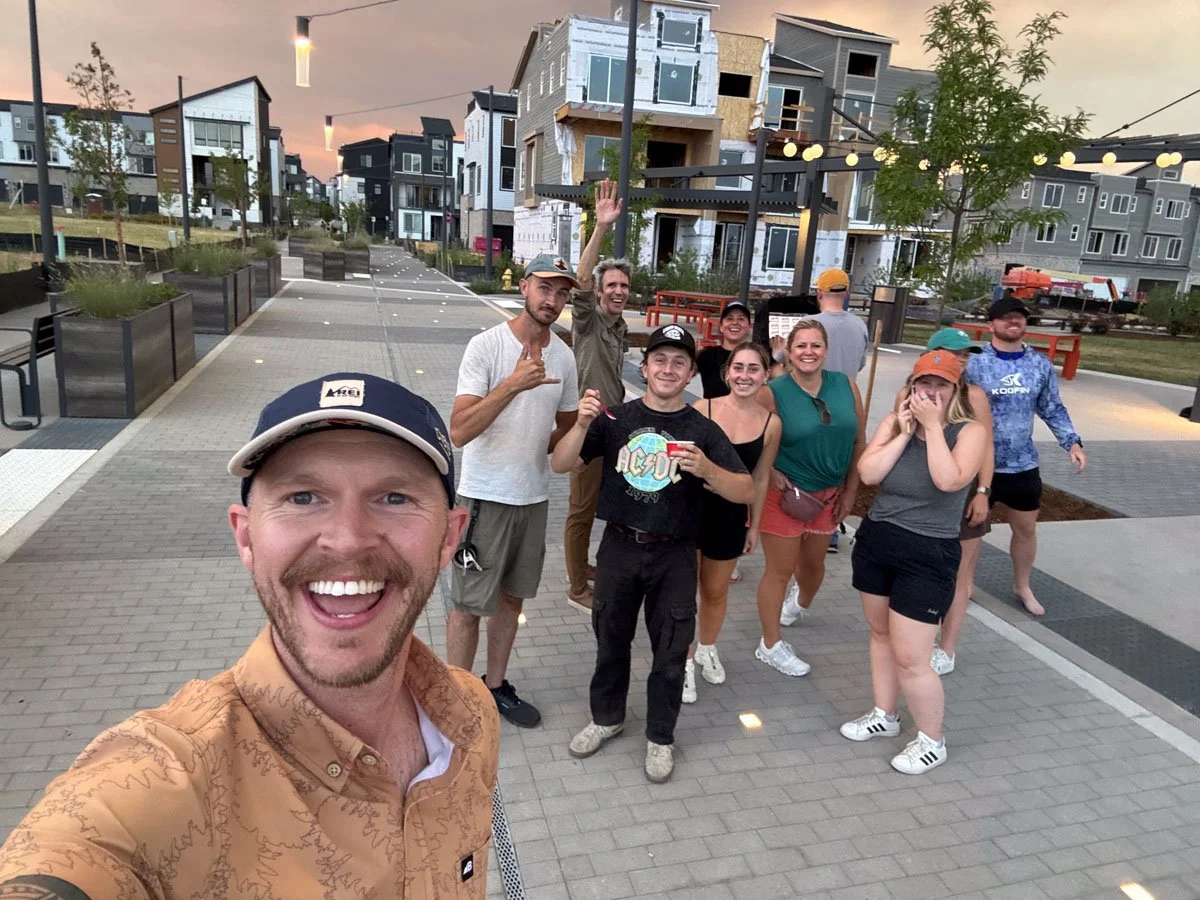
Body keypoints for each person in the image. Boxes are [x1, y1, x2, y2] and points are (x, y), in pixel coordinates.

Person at [0, 373, 500, 897]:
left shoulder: (469, 714)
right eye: (304, 496)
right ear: (246, 537)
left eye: (394, 498)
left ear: (448, 537)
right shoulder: (167, 781)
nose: (348, 539)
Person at [551, 324, 754, 783]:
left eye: (679, 362)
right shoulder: (615, 419)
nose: (668, 368)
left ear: (690, 375)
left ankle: (661, 738)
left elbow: (745, 489)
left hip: (676, 553)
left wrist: (707, 470)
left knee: (670, 651)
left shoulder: (703, 429)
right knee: (610, 641)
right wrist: (582, 424)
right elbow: (560, 463)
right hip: (620, 546)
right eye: (659, 360)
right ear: (644, 368)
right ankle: (607, 717)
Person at [447, 253, 580, 728]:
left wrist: (541, 446)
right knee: (467, 606)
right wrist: (512, 386)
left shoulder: (563, 355)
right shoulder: (485, 347)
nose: (553, 300)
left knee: (512, 599)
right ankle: (457, 699)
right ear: (524, 288)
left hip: (534, 497)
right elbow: (459, 430)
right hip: (484, 498)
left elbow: (566, 418)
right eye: (545, 288)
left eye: (562, 292)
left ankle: (496, 686)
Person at [841, 351, 988, 774]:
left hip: (929, 552)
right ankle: (885, 715)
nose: (931, 391)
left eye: (942, 385)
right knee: (881, 634)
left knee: (912, 657)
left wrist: (933, 428)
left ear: (955, 390)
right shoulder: (895, 423)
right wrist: (904, 432)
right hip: (879, 540)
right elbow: (869, 474)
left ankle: (932, 740)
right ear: (911, 385)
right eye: (925, 383)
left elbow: (949, 480)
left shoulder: (969, 432)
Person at [755, 320, 866, 676]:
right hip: (785, 494)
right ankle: (769, 644)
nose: (808, 352)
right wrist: (770, 472)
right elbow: (751, 439)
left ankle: (799, 603)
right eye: (801, 345)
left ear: (826, 350)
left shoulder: (846, 385)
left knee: (814, 567)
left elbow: (859, 441)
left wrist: (851, 491)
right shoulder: (773, 391)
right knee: (780, 569)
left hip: (829, 495)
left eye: (815, 345)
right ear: (788, 348)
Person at [967, 296, 1086, 616]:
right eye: (1006, 317)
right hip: (978, 465)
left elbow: (1052, 408)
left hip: (1023, 464)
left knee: (1026, 529)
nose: (1014, 322)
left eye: (1019, 317)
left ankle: (1022, 586)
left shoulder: (1039, 365)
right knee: (971, 531)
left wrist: (1072, 443)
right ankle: (963, 584)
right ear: (991, 324)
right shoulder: (973, 361)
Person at [684, 342, 781, 704]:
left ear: (765, 375)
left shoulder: (771, 424)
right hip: (692, 513)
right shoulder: (702, 409)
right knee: (683, 593)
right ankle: (683, 659)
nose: (744, 376)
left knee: (715, 591)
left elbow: (760, 478)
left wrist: (754, 526)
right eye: (738, 368)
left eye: (753, 369)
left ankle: (707, 647)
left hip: (730, 517)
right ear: (727, 373)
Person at [906, 329, 994, 676]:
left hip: (962, 494)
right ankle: (917, 635)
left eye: (966, 354)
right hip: (919, 498)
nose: (961, 359)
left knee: (960, 575)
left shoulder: (975, 397)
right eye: (953, 352)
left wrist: (984, 491)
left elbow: (986, 447)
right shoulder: (910, 394)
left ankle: (948, 647)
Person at [564, 179, 630, 613]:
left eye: (624, 286)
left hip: (615, 426)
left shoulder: (619, 327)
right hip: (588, 427)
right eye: (613, 286)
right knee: (581, 509)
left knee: (602, 504)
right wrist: (601, 228)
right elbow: (581, 280)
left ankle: (586, 566)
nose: (618, 291)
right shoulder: (588, 320)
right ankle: (576, 588)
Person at [811, 268, 869, 380]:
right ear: (847, 293)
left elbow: (792, 362)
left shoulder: (808, 323)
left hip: (813, 394)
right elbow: (860, 365)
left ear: (819, 294)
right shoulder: (860, 324)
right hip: (847, 393)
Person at [695, 300, 753, 399]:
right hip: (712, 412)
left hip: (748, 413)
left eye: (741, 319)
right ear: (721, 327)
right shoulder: (707, 355)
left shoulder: (757, 356)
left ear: (749, 326)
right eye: (729, 319)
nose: (735, 322)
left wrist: (781, 357)